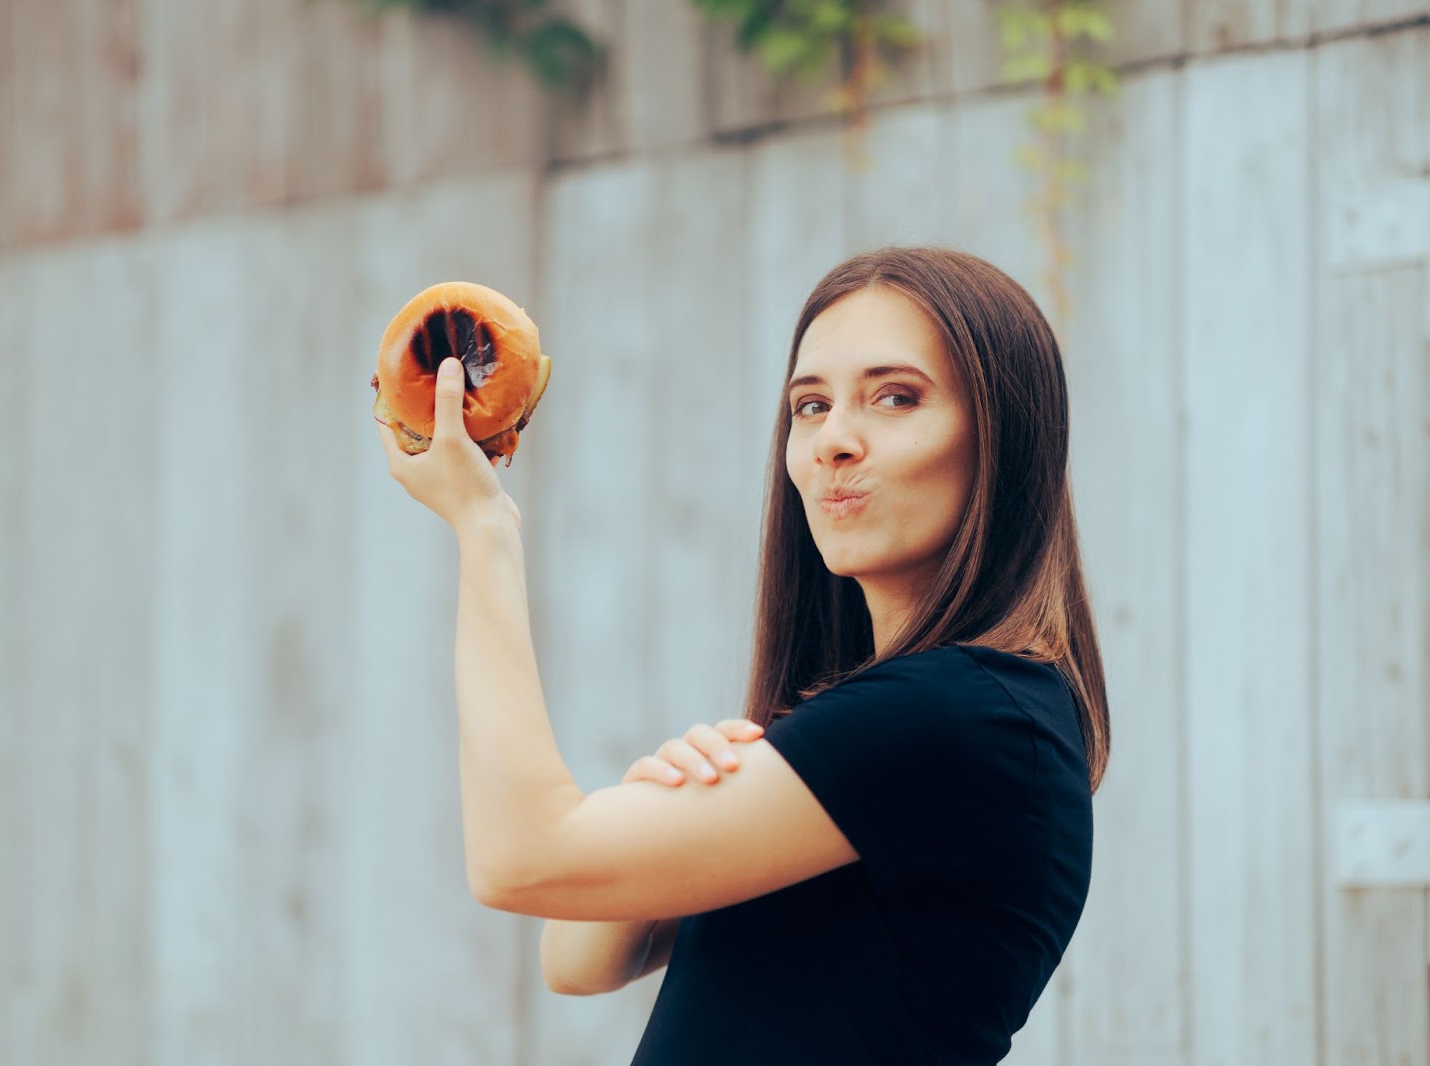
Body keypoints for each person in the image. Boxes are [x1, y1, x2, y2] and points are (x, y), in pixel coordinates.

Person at [375, 245, 1110, 1065]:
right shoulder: (921, 717)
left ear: (1004, 437)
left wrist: (484, 529)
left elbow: (520, 861)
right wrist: (654, 793)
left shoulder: (960, 714)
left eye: (894, 397)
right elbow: (577, 959)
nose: (834, 440)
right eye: (809, 405)